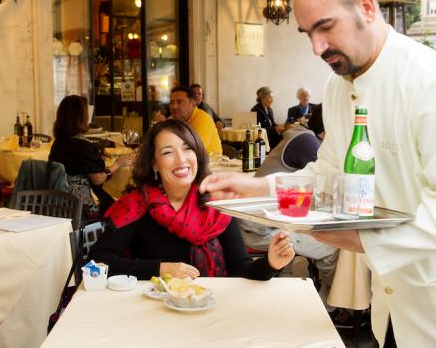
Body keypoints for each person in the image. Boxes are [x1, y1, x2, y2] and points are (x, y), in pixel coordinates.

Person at [201, 0, 436, 348]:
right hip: (398, 303)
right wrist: (253, 188)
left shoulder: (434, 83)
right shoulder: (338, 89)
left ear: (366, 7)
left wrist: (357, 239)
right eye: (307, 33)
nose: (316, 47)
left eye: (325, 28)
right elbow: (327, 174)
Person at [90, 119, 294, 280]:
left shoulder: (216, 204)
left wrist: (270, 263)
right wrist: (159, 269)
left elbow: (240, 269)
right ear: (154, 163)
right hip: (152, 314)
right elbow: (96, 262)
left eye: (188, 148)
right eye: (168, 152)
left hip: (208, 310)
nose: (181, 159)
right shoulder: (136, 206)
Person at [240, 108, 338, 305]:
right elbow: (327, 188)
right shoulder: (309, 143)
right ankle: (333, 304)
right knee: (333, 245)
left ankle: (290, 286)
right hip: (260, 228)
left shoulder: (302, 136)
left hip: (258, 221)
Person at [49, 95, 133, 219]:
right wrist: (118, 164)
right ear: (81, 118)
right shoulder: (83, 145)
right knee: (127, 206)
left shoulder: (58, 143)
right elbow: (98, 179)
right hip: (82, 207)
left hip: (59, 203)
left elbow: (76, 165)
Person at [168, 86, 222, 156]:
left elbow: (193, 149)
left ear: (192, 103)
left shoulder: (203, 119)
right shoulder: (173, 120)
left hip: (211, 164)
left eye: (179, 102)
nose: (174, 107)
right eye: (172, 103)